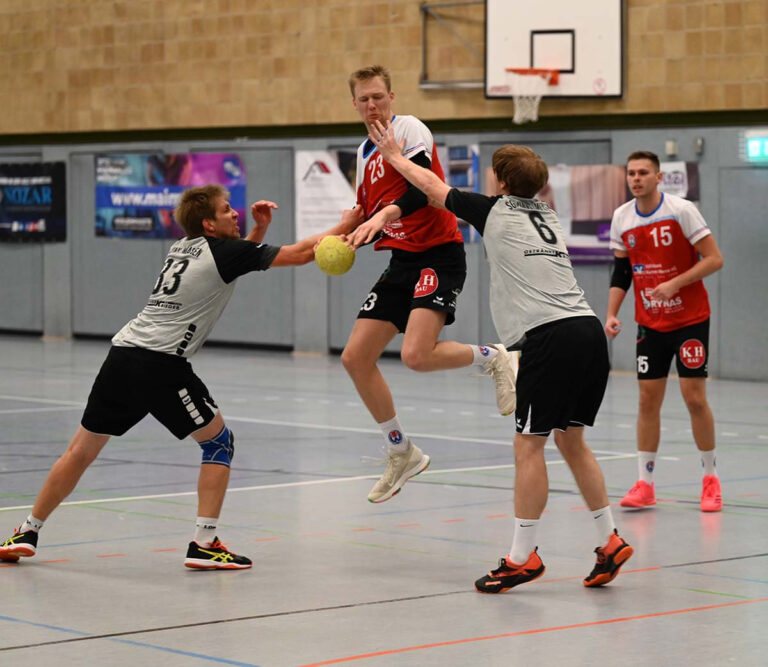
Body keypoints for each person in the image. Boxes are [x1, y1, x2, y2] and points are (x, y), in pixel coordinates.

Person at [0, 185, 363, 569]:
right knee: (218, 443)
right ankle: (205, 542)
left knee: (80, 451)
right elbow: (302, 254)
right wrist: (345, 224)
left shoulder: (183, 246)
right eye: (227, 211)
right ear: (209, 223)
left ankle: (27, 531)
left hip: (122, 355)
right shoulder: (225, 252)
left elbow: (237, 262)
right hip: (160, 364)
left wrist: (258, 230)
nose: (234, 214)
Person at [371, 121, 633, 591]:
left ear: (501, 181)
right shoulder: (547, 215)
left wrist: (393, 154)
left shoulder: (495, 210)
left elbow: (433, 188)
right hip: (589, 332)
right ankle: (609, 539)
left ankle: (521, 557)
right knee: (572, 442)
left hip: (549, 338)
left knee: (528, 446)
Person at [342, 65, 517, 505]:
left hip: (439, 252)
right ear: (354, 103)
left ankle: (493, 358)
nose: (372, 105)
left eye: (378, 96)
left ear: (392, 97)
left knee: (416, 356)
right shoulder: (363, 156)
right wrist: (344, 235)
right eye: (363, 99)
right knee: (355, 358)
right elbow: (365, 213)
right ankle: (401, 451)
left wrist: (383, 217)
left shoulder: (409, 130)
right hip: (402, 260)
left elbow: (422, 192)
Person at [605, 151, 724, 512]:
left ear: (658, 177)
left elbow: (714, 258)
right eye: (631, 173)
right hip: (650, 323)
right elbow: (622, 272)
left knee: (694, 398)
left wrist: (676, 283)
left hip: (689, 319)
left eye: (643, 173)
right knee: (647, 401)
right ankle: (645, 483)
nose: (636, 178)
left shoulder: (681, 210)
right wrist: (611, 313)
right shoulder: (621, 218)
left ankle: (710, 478)